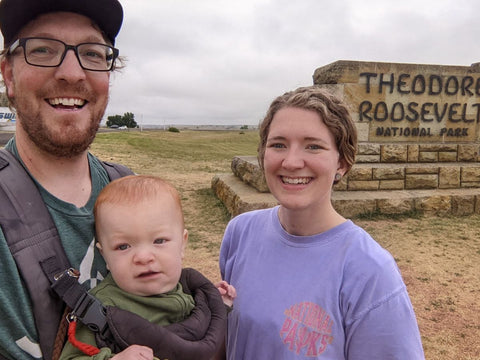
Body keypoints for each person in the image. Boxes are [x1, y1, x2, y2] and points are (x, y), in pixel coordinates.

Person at [219, 86, 425, 359]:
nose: (291, 162)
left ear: (342, 162)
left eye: (313, 146)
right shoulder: (240, 233)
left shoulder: (370, 272)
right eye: (278, 144)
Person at [0, 1, 133, 359]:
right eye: (43, 49)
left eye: (92, 53)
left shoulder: (130, 190)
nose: (72, 73)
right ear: (8, 75)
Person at [59, 175, 235, 360]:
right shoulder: (101, 308)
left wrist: (216, 303)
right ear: (105, 257)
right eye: (123, 246)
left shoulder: (189, 289)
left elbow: (205, 331)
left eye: (159, 241)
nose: (143, 257)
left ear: (182, 245)